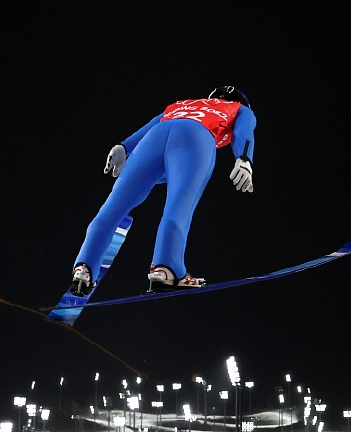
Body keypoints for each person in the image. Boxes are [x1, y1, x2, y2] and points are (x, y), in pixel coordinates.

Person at [70, 86, 256, 296]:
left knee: (114, 205)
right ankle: (166, 268)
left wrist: (124, 146)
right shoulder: (239, 109)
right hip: (195, 138)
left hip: (154, 138)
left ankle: (84, 268)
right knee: (180, 203)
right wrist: (244, 158)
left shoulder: (184, 104)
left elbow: (152, 125)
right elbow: (244, 132)